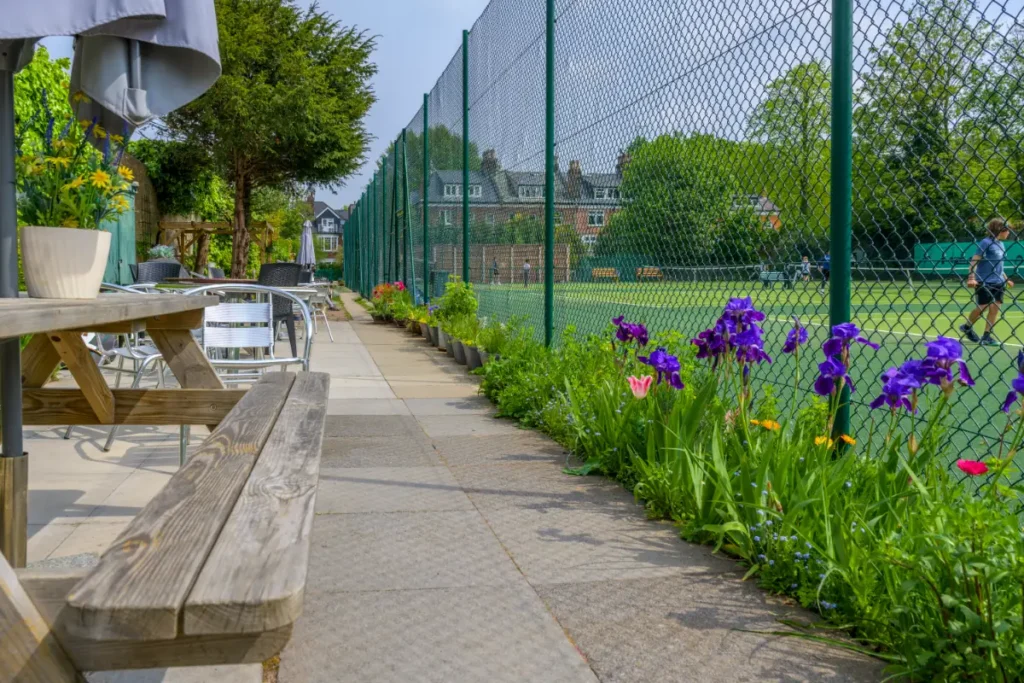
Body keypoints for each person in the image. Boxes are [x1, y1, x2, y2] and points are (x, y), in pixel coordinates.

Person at [960, 217, 1014, 346]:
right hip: (984, 281)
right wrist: (971, 277)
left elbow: (998, 265)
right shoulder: (985, 242)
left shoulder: (1001, 244)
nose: (1009, 233)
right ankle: (967, 327)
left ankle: (987, 336)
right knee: (983, 306)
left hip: (999, 281)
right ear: (1000, 229)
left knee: (995, 308)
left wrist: (1006, 279)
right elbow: (974, 261)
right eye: (1007, 230)